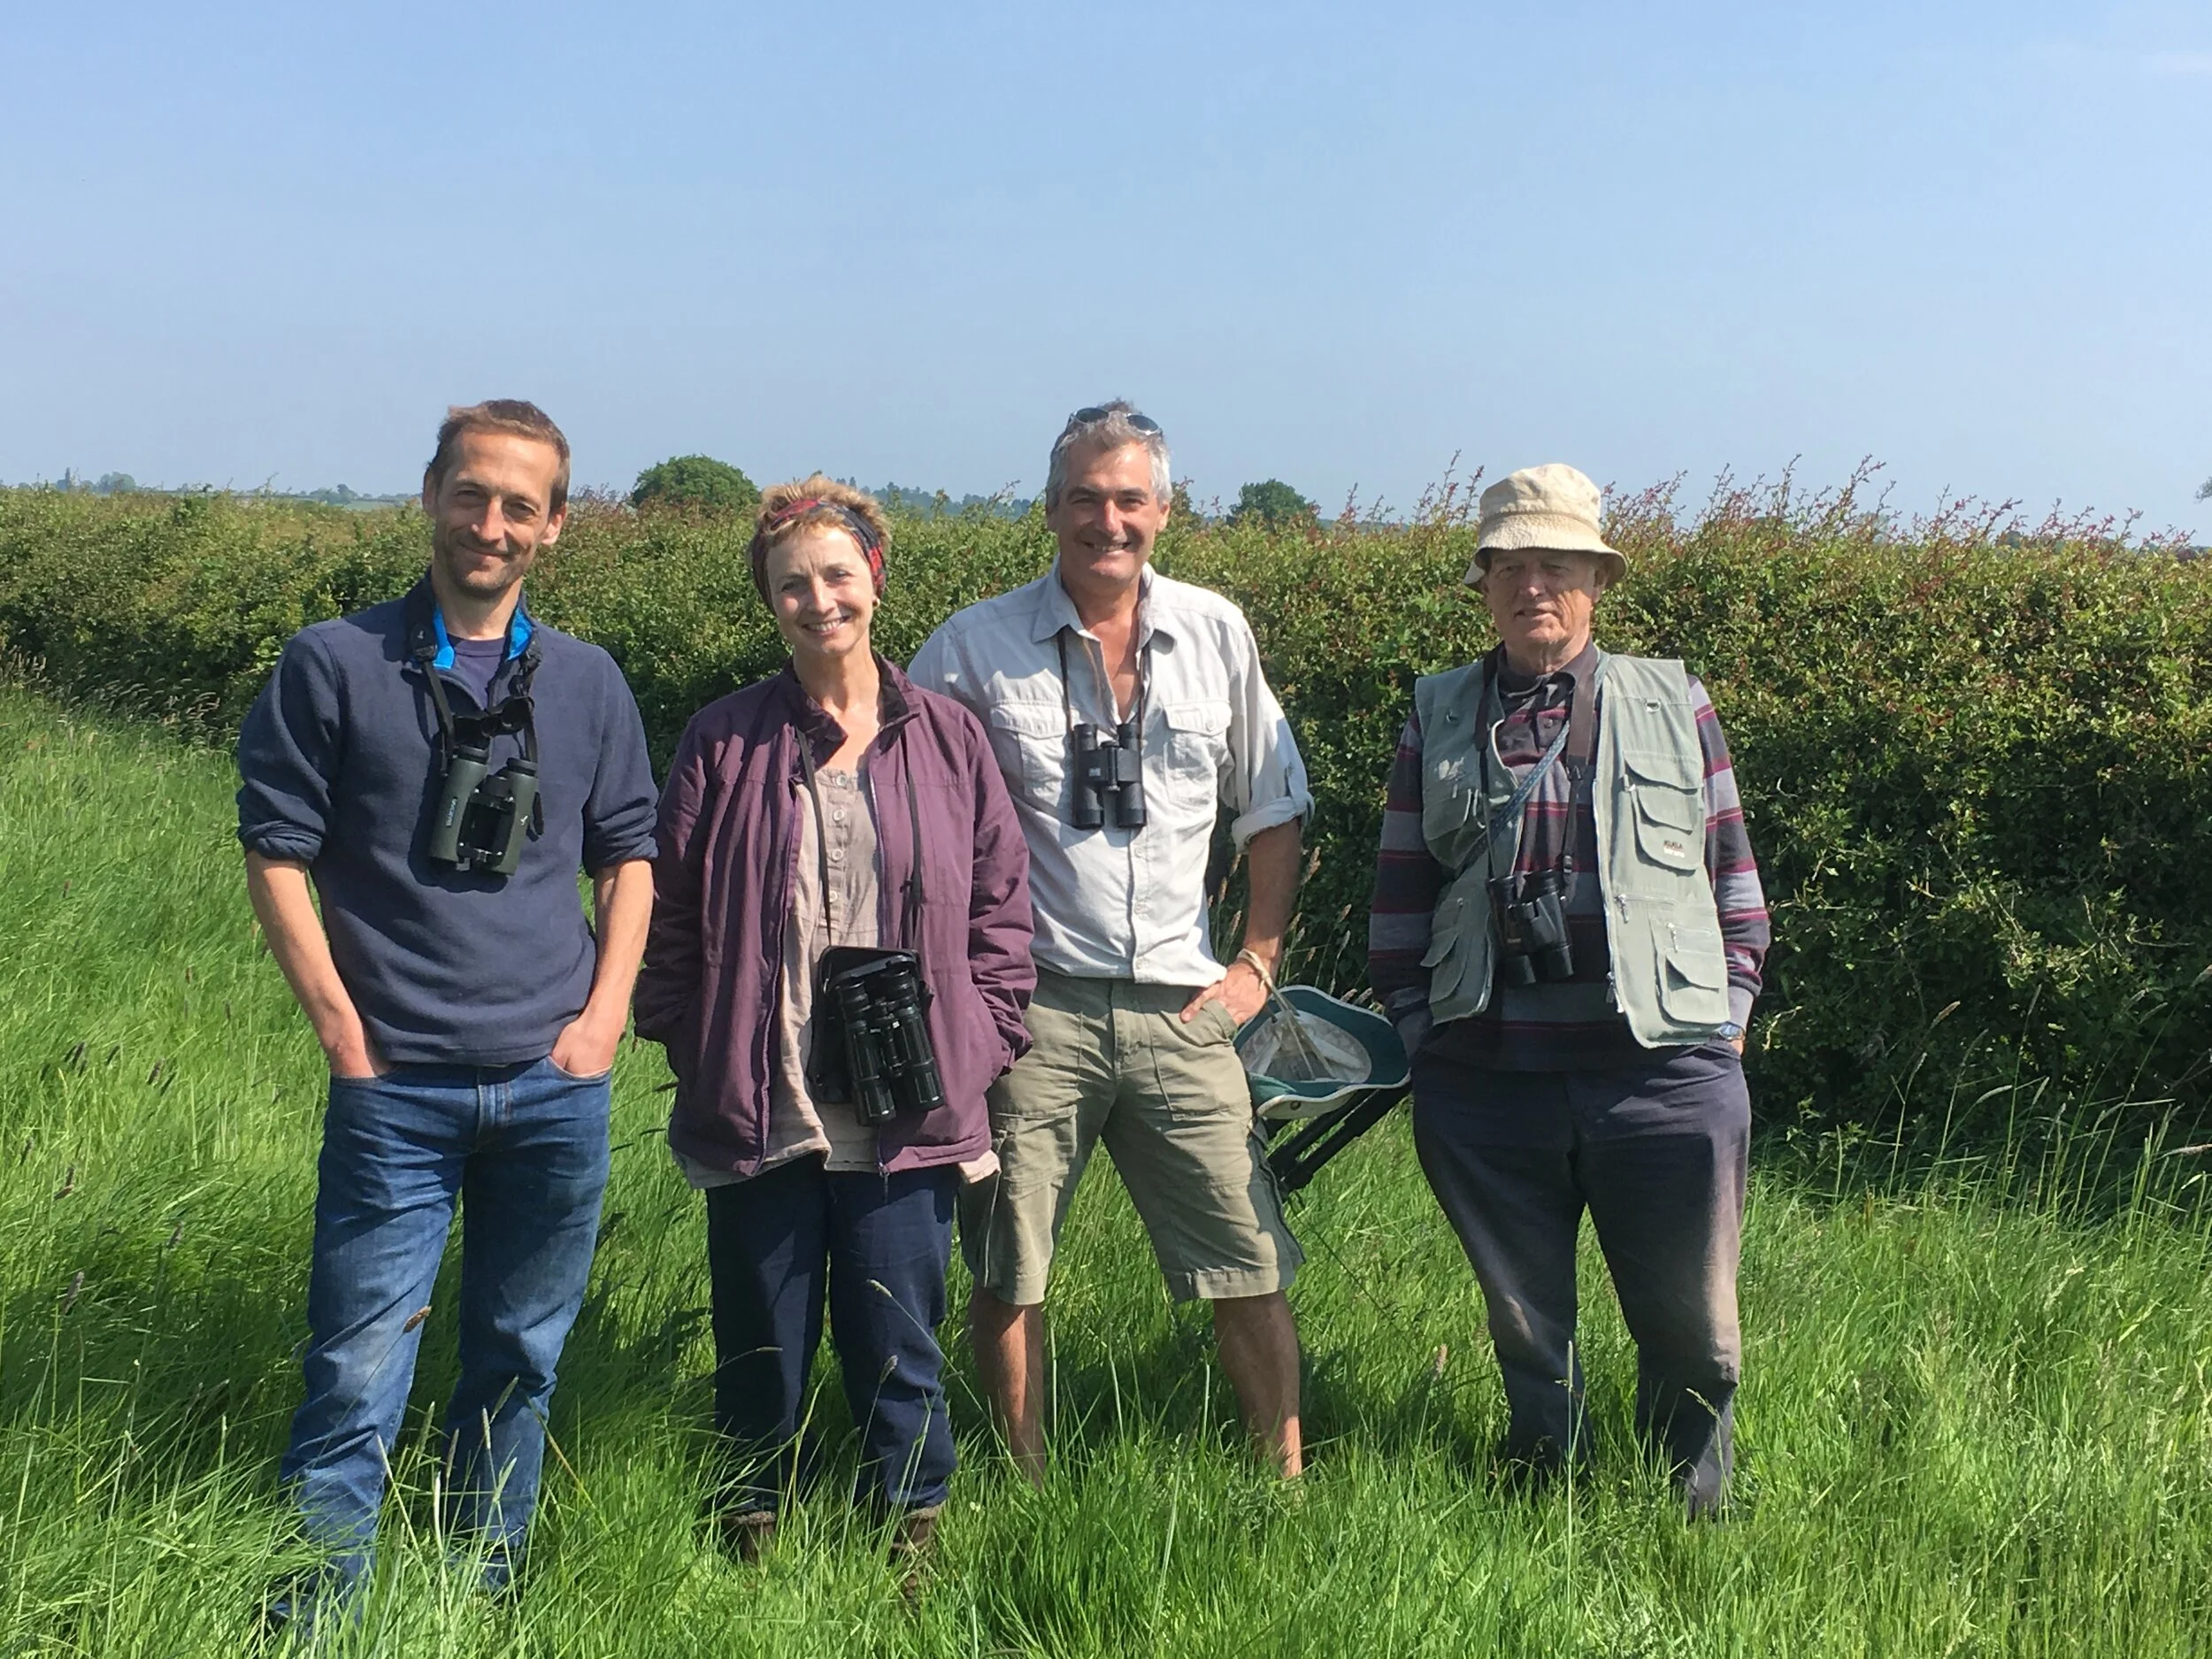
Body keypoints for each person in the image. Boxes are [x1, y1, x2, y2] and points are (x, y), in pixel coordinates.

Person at [235, 400, 659, 1616]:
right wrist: (341, 1032)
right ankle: (313, 1614)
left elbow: (630, 854)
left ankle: (478, 1595)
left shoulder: (583, 680)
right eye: (471, 493)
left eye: (519, 504)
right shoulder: (334, 662)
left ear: (556, 526)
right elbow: (277, 851)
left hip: (554, 1081)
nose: (490, 522)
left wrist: (602, 1020)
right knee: (358, 1365)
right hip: (396, 1085)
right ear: (429, 495)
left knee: (521, 1357)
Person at [633, 478, 1033, 1578]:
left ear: (877, 578)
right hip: (763, 1098)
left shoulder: (949, 740)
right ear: (768, 600)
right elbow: (664, 909)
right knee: (761, 1336)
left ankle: (912, 1538)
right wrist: (689, 1035)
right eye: (794, 584)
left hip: (909, 1101)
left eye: (838, 576)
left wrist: (981, 1039)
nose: (820, 602)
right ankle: (748, 1531)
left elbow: (1004, 910)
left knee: (898, 1338)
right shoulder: (724, 740)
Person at [911, 402, 1312, 1480]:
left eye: (1129, 499)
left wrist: (1257, 964)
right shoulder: (969, 647)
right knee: (1011, 1261)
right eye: (1085, 498)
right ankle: (1024, 1475)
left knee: (1247, 1255)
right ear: (1049, 509)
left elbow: (1273, 808)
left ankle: (1282, 1483)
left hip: (1185, 1007)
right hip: (1032, 1005)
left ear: (1164, 513)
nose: (1107, 519)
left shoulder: (1217, 632)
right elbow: (907, 810)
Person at [1367, 463, 1770, 1516]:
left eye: (1555, 564)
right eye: (1509, 565)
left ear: (1596, 579)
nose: (1531, 584)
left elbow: (1734, 878)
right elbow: (1399, 893)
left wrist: (1723, 1024)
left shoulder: (1671, 697)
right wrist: (1421, 1036)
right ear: (1484, 583)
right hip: (1487, 1079)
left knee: (1690, 1320)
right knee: (1523, 1318)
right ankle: (1542, 1481)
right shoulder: (1439, 710)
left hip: (1664, 1073)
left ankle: (1689, 1502)